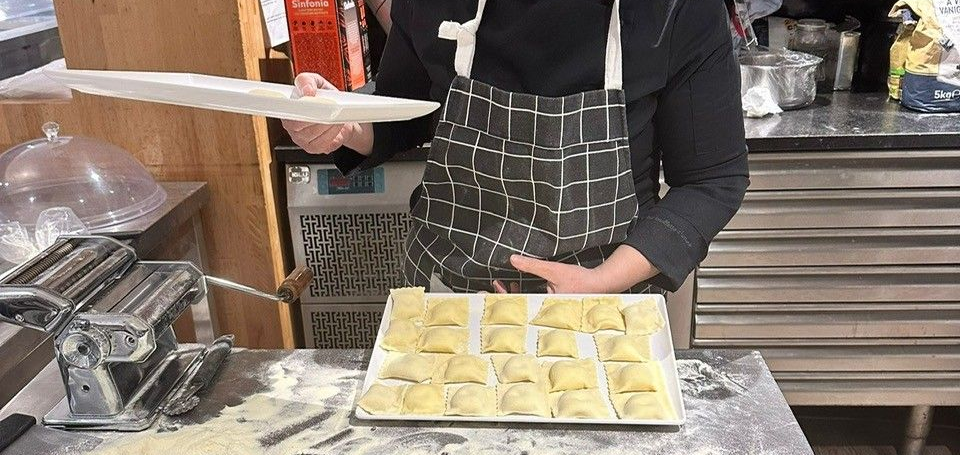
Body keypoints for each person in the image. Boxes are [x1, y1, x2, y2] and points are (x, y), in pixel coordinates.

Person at [283, 0, 748, 295]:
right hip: (450, 292)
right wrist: (343, 123)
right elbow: (410, 108)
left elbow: (711, 180)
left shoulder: (676, 10)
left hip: (603, 303)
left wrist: (601, 282)